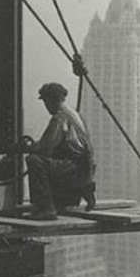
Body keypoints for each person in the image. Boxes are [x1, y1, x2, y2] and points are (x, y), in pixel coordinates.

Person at [23, 82, 96, 220]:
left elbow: (46, 147)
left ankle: (45, 208)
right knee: (51, 159)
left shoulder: (60, 117)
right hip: (84, 170)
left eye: (45, 101)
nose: (46, 106)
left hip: (74, 169)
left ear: (50, 100)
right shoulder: (74, 114)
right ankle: (76, 194)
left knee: (34, 160)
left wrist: (27, 148)